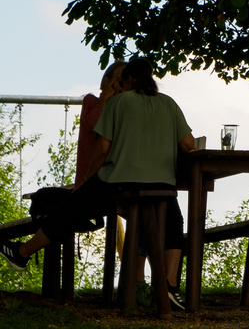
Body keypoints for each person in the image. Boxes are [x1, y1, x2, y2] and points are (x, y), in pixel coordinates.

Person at [0, 57, 193, 311]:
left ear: (129, 80)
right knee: (174, 221)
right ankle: (169, 286)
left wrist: (87, 181)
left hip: (120, 181)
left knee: (72, 207)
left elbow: (102, 149)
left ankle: (22, 252)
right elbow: (188, 144)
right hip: (162, 185)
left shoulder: (120, 102)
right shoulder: (169, 103)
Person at [76, 62, 126, 187]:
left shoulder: (128, 109)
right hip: (90, 176)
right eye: (119, 81)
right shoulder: (91, 101)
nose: (122, 87)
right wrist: (104, 99)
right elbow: (93, 124)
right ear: (107, 81)